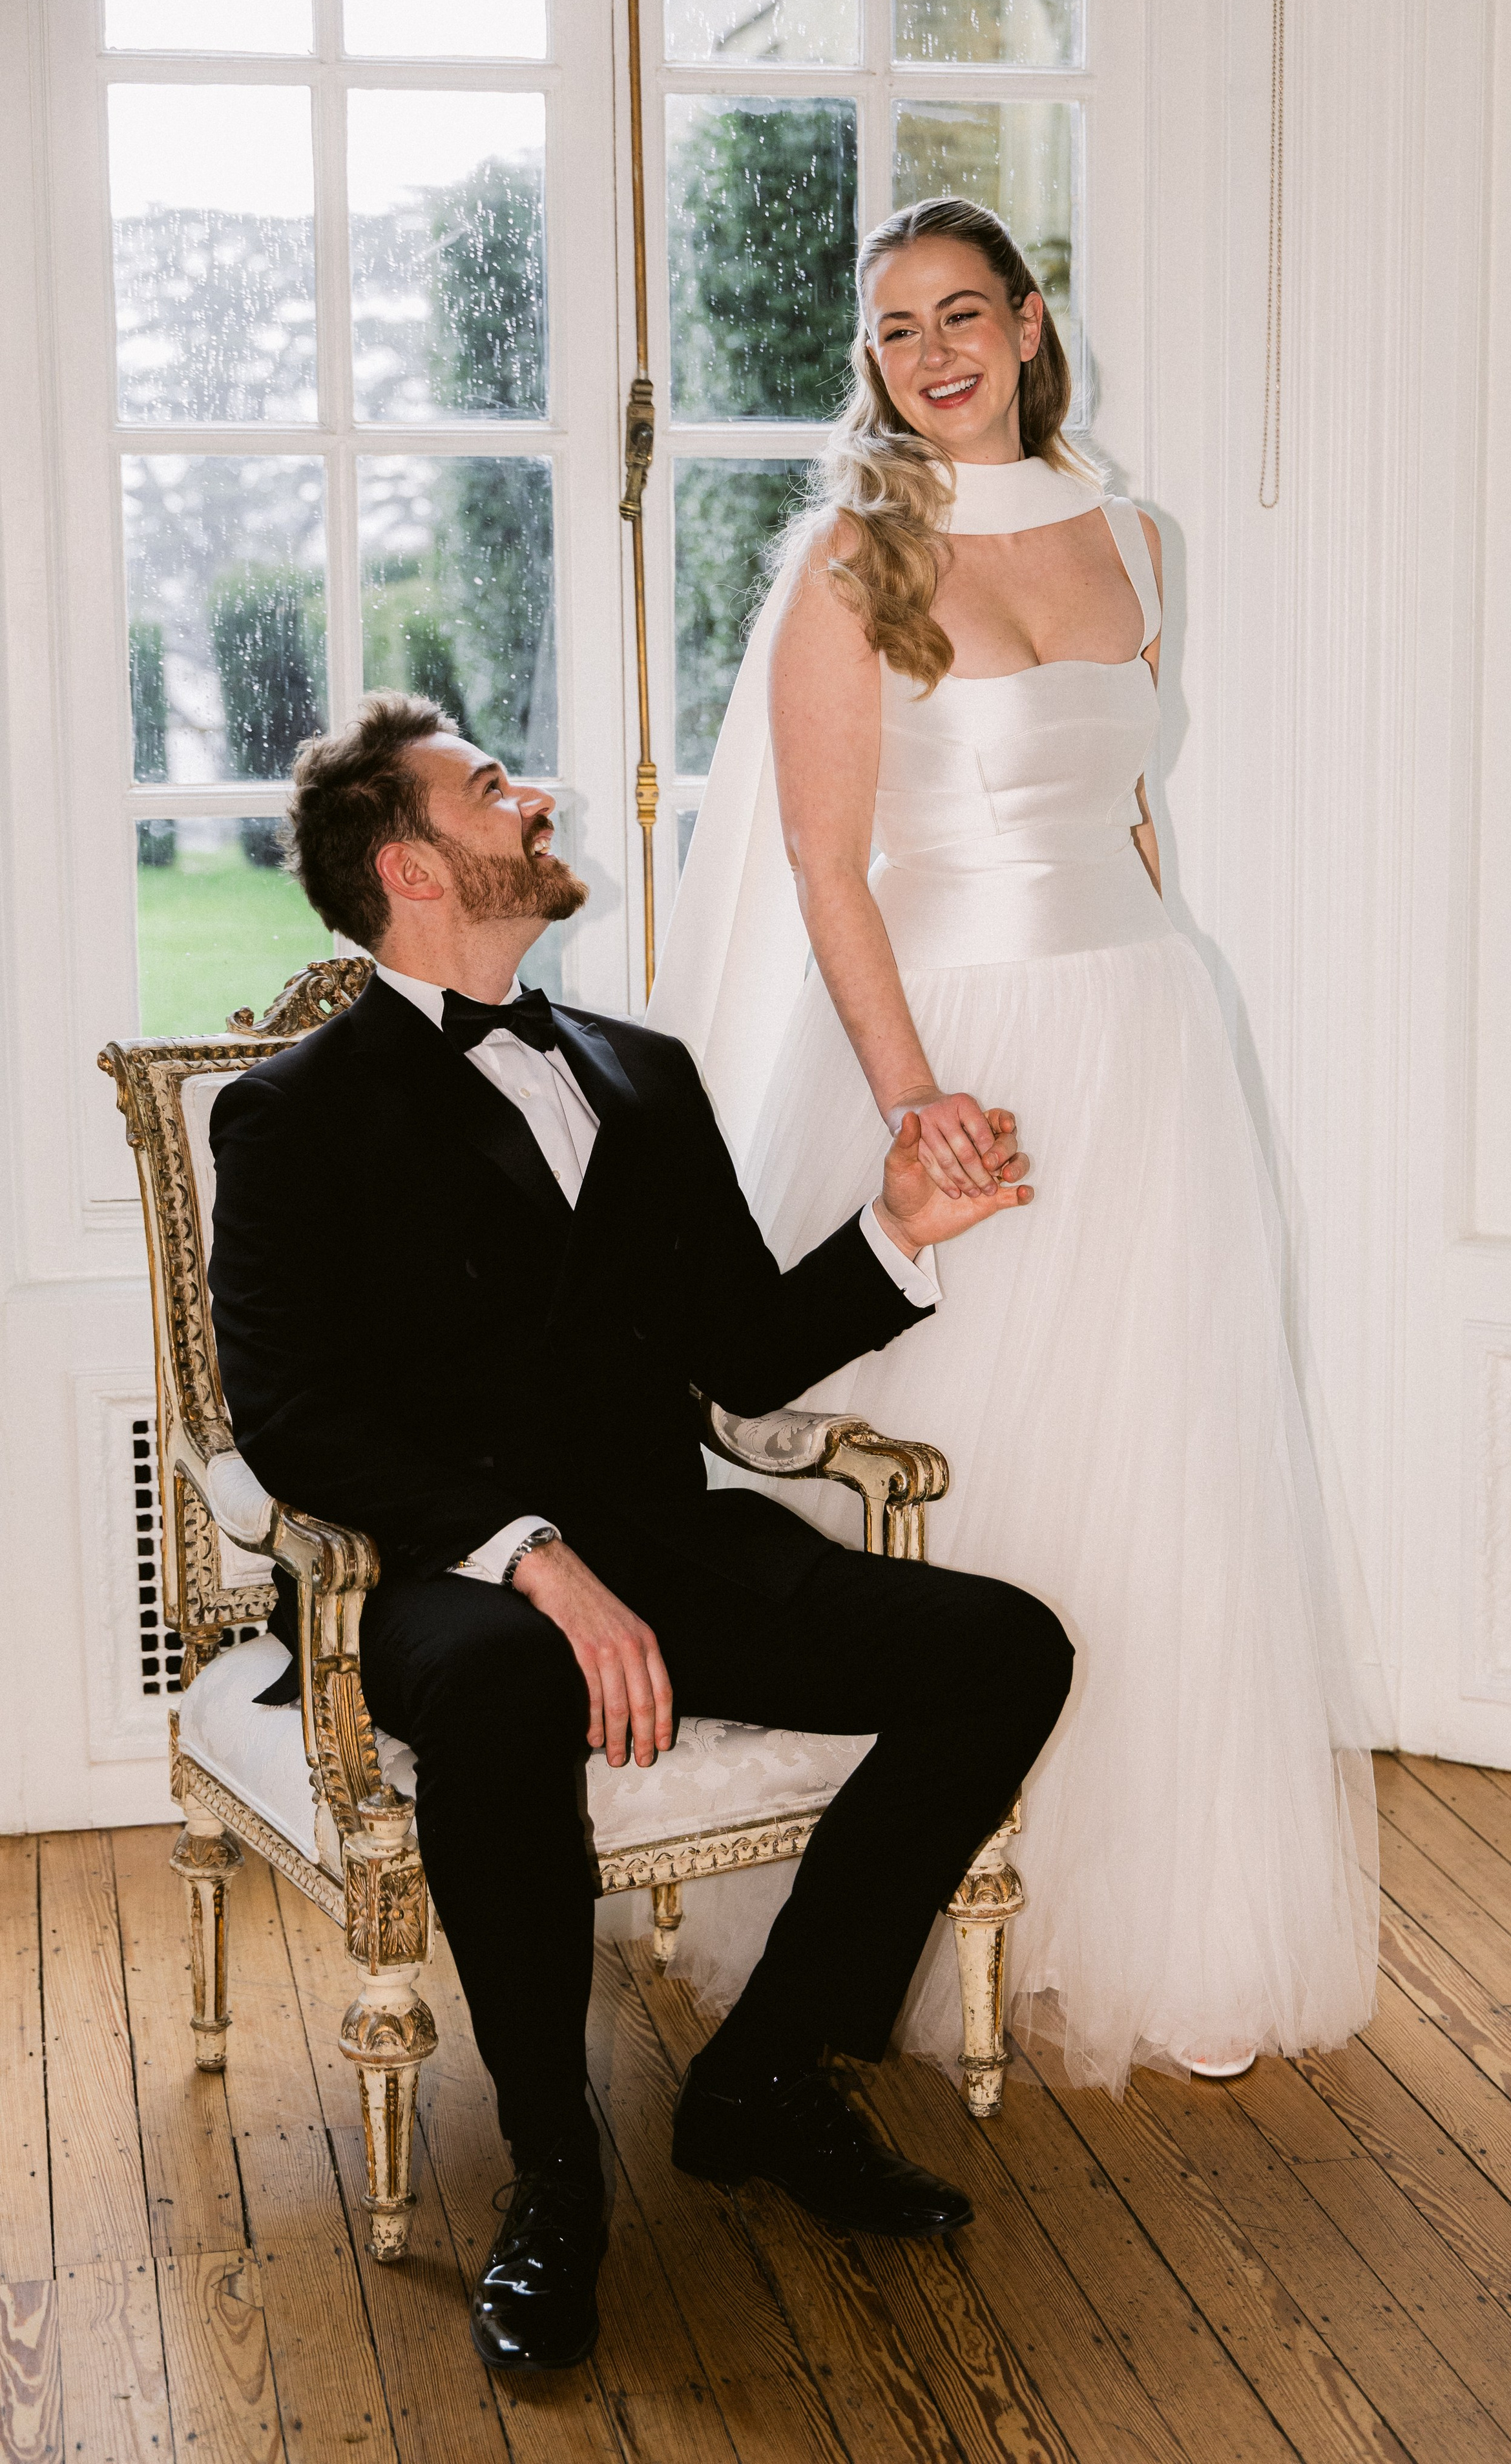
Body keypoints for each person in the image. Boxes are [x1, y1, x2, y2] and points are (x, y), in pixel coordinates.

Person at [206, 690, 1072, 2374]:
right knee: (509, 1684)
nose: (536, 796)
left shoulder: (641, 1072)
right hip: (436, 1578)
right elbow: (294, 1419)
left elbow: (742, 1354)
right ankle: (554, 2178)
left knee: (1002, 1652)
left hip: (673, 1547)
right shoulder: (294, 1112)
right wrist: (529, 1555)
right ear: (412, 867)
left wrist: (898, 1230)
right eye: (489, 787)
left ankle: (767, 2073)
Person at [649, 196, 1381, 2093]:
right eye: (896, 331)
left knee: (1164, 1459)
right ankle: (904, 1911)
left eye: (962, 315)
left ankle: (1156, 1919)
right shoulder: (853, 557)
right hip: (949, 1047)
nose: (932, 356)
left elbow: (1131, 815)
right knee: (969, 1457)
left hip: (1143, 1034)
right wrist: (916, 1100)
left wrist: (1165, 995)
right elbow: (827, 864)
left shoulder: (1138, 534)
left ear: (1030, 323)